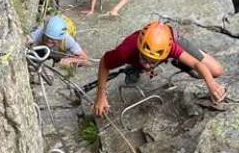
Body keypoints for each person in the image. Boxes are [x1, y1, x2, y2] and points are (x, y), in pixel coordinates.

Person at [93, 21, 226, 116]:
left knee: (216, 71)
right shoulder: (125, 51)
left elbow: (197, 65)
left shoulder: (171, 47)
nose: (147, 64)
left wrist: (211, 84)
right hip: (136, 54)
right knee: (141, 65)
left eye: (152, 62)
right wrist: (100, 95)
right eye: (144, 58)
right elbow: (105, 63)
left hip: (171, 39)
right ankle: (135, 67)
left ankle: (189, 56)